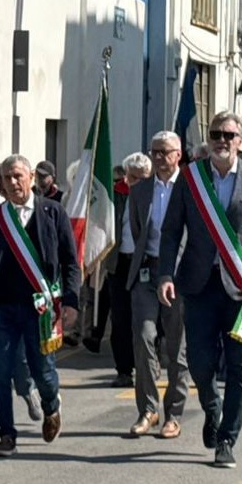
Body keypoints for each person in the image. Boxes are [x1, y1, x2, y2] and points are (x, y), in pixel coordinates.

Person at [158, 111, 242, 469]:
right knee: (198, 361)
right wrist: (165, 274)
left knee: (241, 366)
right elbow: (170, 231)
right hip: (198, 284)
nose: (221, 141)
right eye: (215, 134)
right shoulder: (191, 178)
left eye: (228, 134)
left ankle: (227, 439)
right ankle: (212, 407)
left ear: (241, 140)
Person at [0, 155, 80, 457]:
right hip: (2, 309)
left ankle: (51, 406)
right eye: (7, 177)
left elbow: (70, 261)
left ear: (32, 177)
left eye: (18, 176)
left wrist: (71, 301)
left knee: (43, 372)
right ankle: (7, 434)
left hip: (41, 309)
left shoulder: (53, 212)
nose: (12, 183)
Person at [127, 132, 189, 439]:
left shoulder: (190, 188)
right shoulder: (140, 191)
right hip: (147, 272)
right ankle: (148, 410)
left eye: (165, 153)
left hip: (179, 276)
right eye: (155, 153)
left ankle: (173, 415)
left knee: (176, 347)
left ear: (178, 154)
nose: (159, 159)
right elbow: (139, 231)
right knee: (144, 336)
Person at [104, 153, 149, 388]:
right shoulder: (114, 194)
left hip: (146, 263)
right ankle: (123, 369)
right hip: (120, 263)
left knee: (146, 320)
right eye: (133, 177)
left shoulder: (154, 194)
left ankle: (147, 367)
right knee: (120, 319)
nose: (136, 182)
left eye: (142, 178)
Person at [83, 165, 128, 356]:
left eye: (119, 181)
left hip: (123, 259)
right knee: (99, 299)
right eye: (113, 181)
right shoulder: (107, 199)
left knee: (118, 308)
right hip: (105, 257)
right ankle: (95, 334)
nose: (116, 185)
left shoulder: (130, 196)